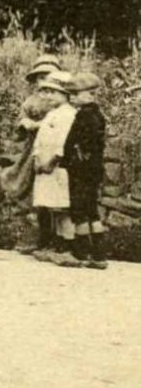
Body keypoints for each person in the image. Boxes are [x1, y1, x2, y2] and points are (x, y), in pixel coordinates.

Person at [12, 54, 66, 254]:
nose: (44, 82)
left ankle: (53, 240)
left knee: (53, 194)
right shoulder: (31, 101)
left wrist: (41, 125)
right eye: (40, 78)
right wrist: (25, 123)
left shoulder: (60, 100)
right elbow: (22, 118)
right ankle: (32, 239)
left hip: (53, 148)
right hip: (33, 148)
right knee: (28, 189)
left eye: (48, 76)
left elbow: (63, 120)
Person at [31, 72, 78, 265]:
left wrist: (51, 162)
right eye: (46, 92)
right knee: (48, 206)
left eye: (54, 92)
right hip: (43, 166)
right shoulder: (51, 114)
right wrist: (37, 158)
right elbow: (40, 139)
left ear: (66, 94)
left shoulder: (69, 115)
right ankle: (52, 245)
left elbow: (63, 143)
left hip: (56, 168)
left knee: (61, 207)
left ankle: (66, 246)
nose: (49, 96)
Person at [62, 71, 108, 269]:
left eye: (75, 94)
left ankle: (81, 253)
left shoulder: (84, 116)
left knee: (79, 210)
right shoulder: (97, 115)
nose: (71, 97)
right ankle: (98, 255)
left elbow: (80, 143)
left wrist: (73, 157)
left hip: (81, 169)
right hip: (92, 169)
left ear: (88, 94)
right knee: (92, 211)